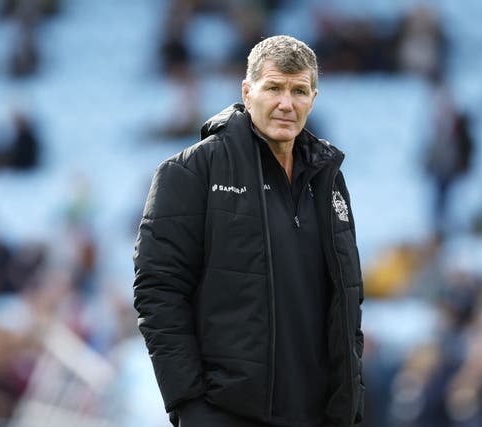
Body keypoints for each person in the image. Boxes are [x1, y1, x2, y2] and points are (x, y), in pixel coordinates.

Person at [133, 35, 364, 427]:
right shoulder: (191, 173)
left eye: (299, 91)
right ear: (247, 90)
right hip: (226, 414)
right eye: (273, 87)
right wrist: (190, 405)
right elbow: (158, 292)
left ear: (313, 98)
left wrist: (350, 406)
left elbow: (347, 302)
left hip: (319, 415)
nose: (286, 103)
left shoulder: (328, 181)